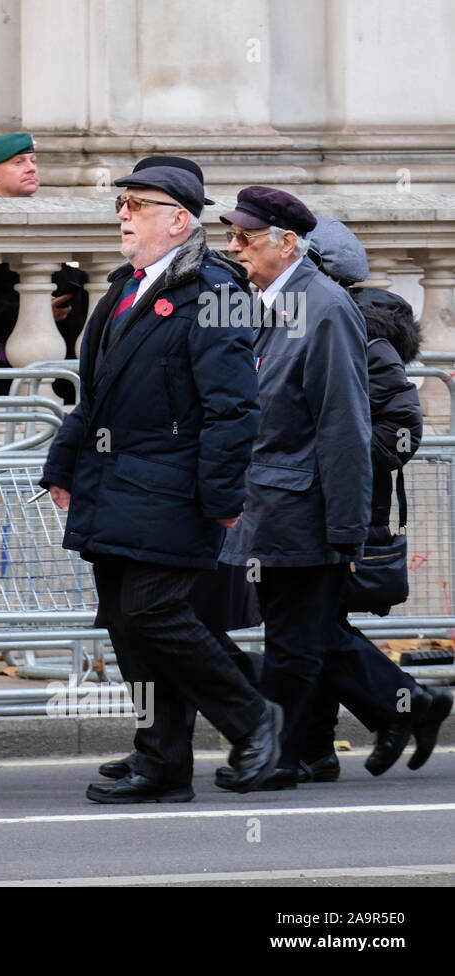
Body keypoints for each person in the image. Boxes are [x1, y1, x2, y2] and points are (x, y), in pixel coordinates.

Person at [39, 158, 281, 803]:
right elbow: (93, 398)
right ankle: (163, 760)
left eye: (138, 203)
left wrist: (223, 494)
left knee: (153, 612)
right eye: (122, 202)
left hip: (174, 487)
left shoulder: (213, 294)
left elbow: (234, 408)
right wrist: (61, 462)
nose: (123, 212)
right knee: (128, 624)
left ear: (179, 220)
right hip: (114, 483)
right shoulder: (123, 288)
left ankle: (254, 717)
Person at [215, 187, 391, 790]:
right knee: (297, 637)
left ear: (288, 243)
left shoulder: (324, 304)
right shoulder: (263, 299)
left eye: (246, 238)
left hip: (303, 507)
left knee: (294, 643)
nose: (234, 248)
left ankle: (282, 759)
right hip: (269, 503)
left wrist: (346, 526)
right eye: (231, 236)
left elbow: (344, 422)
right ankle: (310, 747)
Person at [295, 221, 452, 778]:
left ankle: (399, 705)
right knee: (310, 625)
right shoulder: (304, 323)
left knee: (307, 626)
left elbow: (402, 432)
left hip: (341, 507)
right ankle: (314, 749)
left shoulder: (362, 337)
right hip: (301, 505)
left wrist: (321, 447)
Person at [0, 132, 87, 398]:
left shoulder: (48, 217)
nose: (31, 168)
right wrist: (32, 311)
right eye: (18, 162)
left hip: (60, 361)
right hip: (6, 368)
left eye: (33, 161)